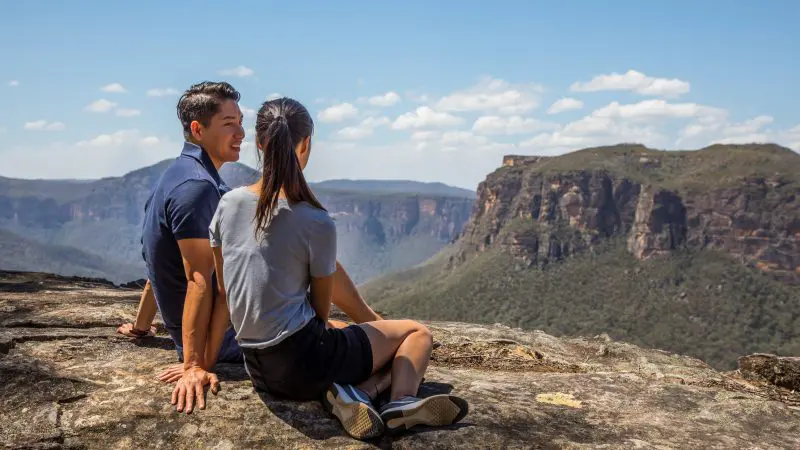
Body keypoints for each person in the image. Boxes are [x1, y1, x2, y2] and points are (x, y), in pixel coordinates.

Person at [178, 96, 468, 439]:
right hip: (306, 366)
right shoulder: (315, 220)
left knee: (345, 329)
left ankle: (357, 393)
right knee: (416, 335)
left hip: (259, 369)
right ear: (306, 145)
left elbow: (225, 293)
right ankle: (399, 401)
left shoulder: (228, 204)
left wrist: (199, 365)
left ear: (259, 143)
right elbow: (319, 311)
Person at [129, 81, 382, 388]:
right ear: (198, 129)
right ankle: (373, 337)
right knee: (354, 335)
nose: (240, 133)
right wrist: (193, 364)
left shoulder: (178, 176)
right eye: (228, 124)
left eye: (240, 122)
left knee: (311, 256)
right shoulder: (198, 189)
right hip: (224, 337)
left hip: (228, 323)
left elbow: (158, 264)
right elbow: (197, 278)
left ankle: (372, 324)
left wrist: (141, 326)